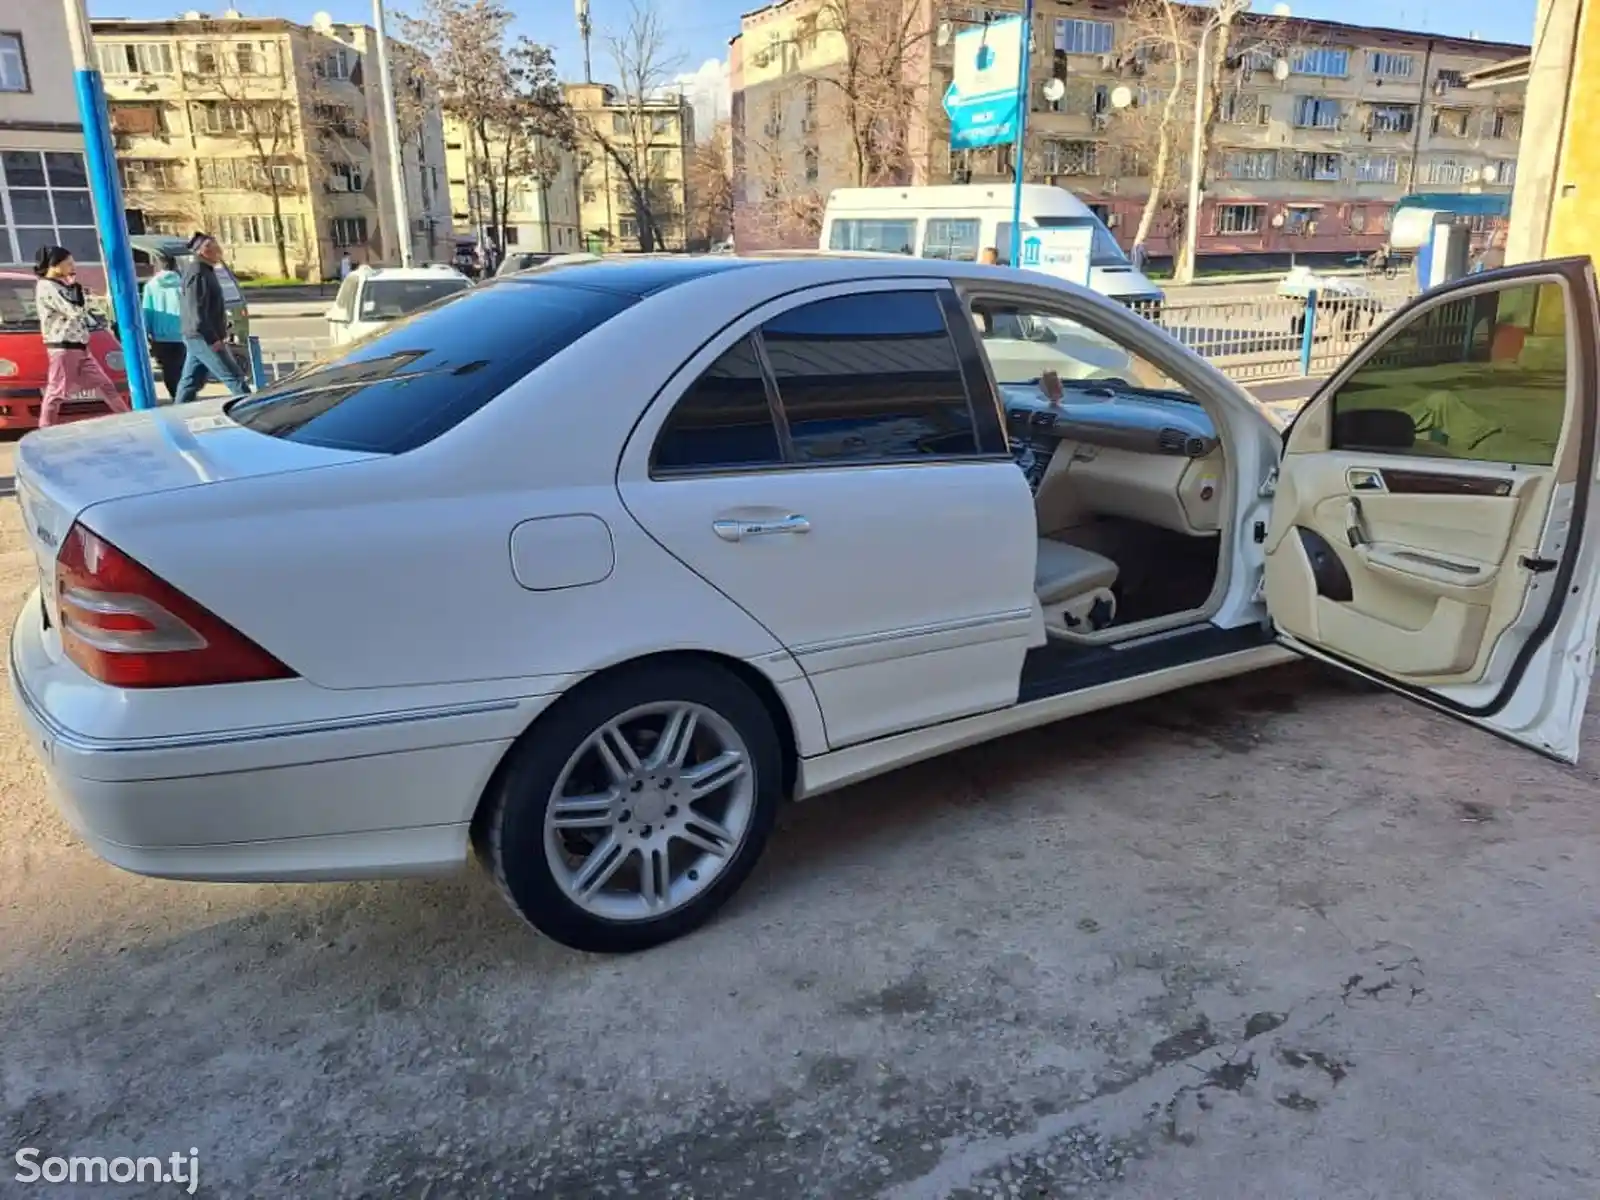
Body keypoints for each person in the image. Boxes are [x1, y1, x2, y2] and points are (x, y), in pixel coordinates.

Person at [32, 246, 131, 428]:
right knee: (56, 391)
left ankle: (128, 419)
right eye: (68, 263)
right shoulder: (46, 286)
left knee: (105, 385)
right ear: (55, 265)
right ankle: (45, 429)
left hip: (81, 346)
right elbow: (73, 311)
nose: (73, 266)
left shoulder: (63, 285)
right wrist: (77, 295)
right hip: (63, 346)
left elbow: (81, 311)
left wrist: (76, 291)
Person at [174, 232, 249, 404]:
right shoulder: (198, 273)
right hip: (203, 336)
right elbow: (197, 310)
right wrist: (212, 338)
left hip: (198, 336)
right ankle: (252, 411)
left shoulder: (205, 270)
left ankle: (179, 412)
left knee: (191, 381)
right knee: (234, 377)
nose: (219, 252)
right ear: (203, 251)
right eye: (215, 248)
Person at [140, 252, 186, 400]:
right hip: (182, 334)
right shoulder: (183, 284)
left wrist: (147, 332)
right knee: (183, 368)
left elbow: (148, 311)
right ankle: (184, 395)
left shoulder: (151, 286)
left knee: (168, 369)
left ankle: (175, 396)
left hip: (160, 336)